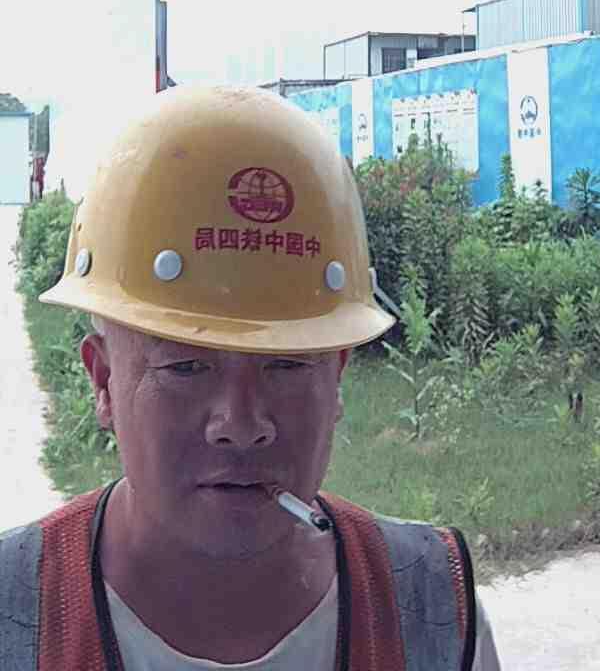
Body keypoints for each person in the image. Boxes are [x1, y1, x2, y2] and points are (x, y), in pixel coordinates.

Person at [0, 85, 501, 669]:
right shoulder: (19, 613)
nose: (241, 425)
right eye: (186, 366)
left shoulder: (430, 613)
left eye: (287, 365)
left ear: (337, 377)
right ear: (104, 380)